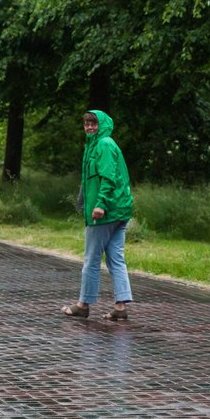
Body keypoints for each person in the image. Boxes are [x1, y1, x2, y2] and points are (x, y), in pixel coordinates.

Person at [63, 110, 134, 321]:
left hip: (106, 212)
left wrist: (100, 204)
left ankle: (83, 304)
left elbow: (108, 178)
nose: (89, 127)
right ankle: (120, 307)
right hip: (119, 211)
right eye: (86, 124)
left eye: (93, 123)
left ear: (101, 124)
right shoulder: (96, 145)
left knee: (91, 258)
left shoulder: (103, 144)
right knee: (116, 259)